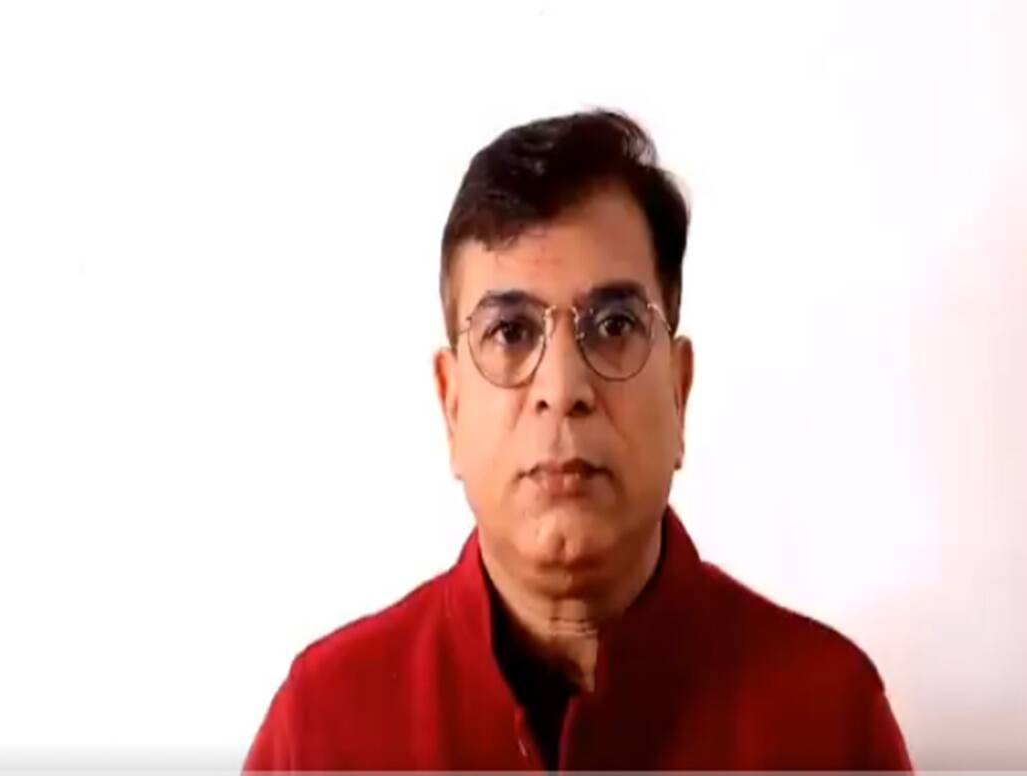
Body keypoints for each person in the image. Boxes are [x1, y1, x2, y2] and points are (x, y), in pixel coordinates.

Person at [243, 109, 914, 771]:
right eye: (510, 333)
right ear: (452, 405)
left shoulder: (827, 720)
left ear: (678, 391)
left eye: (615, 326)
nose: (563, 387)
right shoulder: (324, 727)